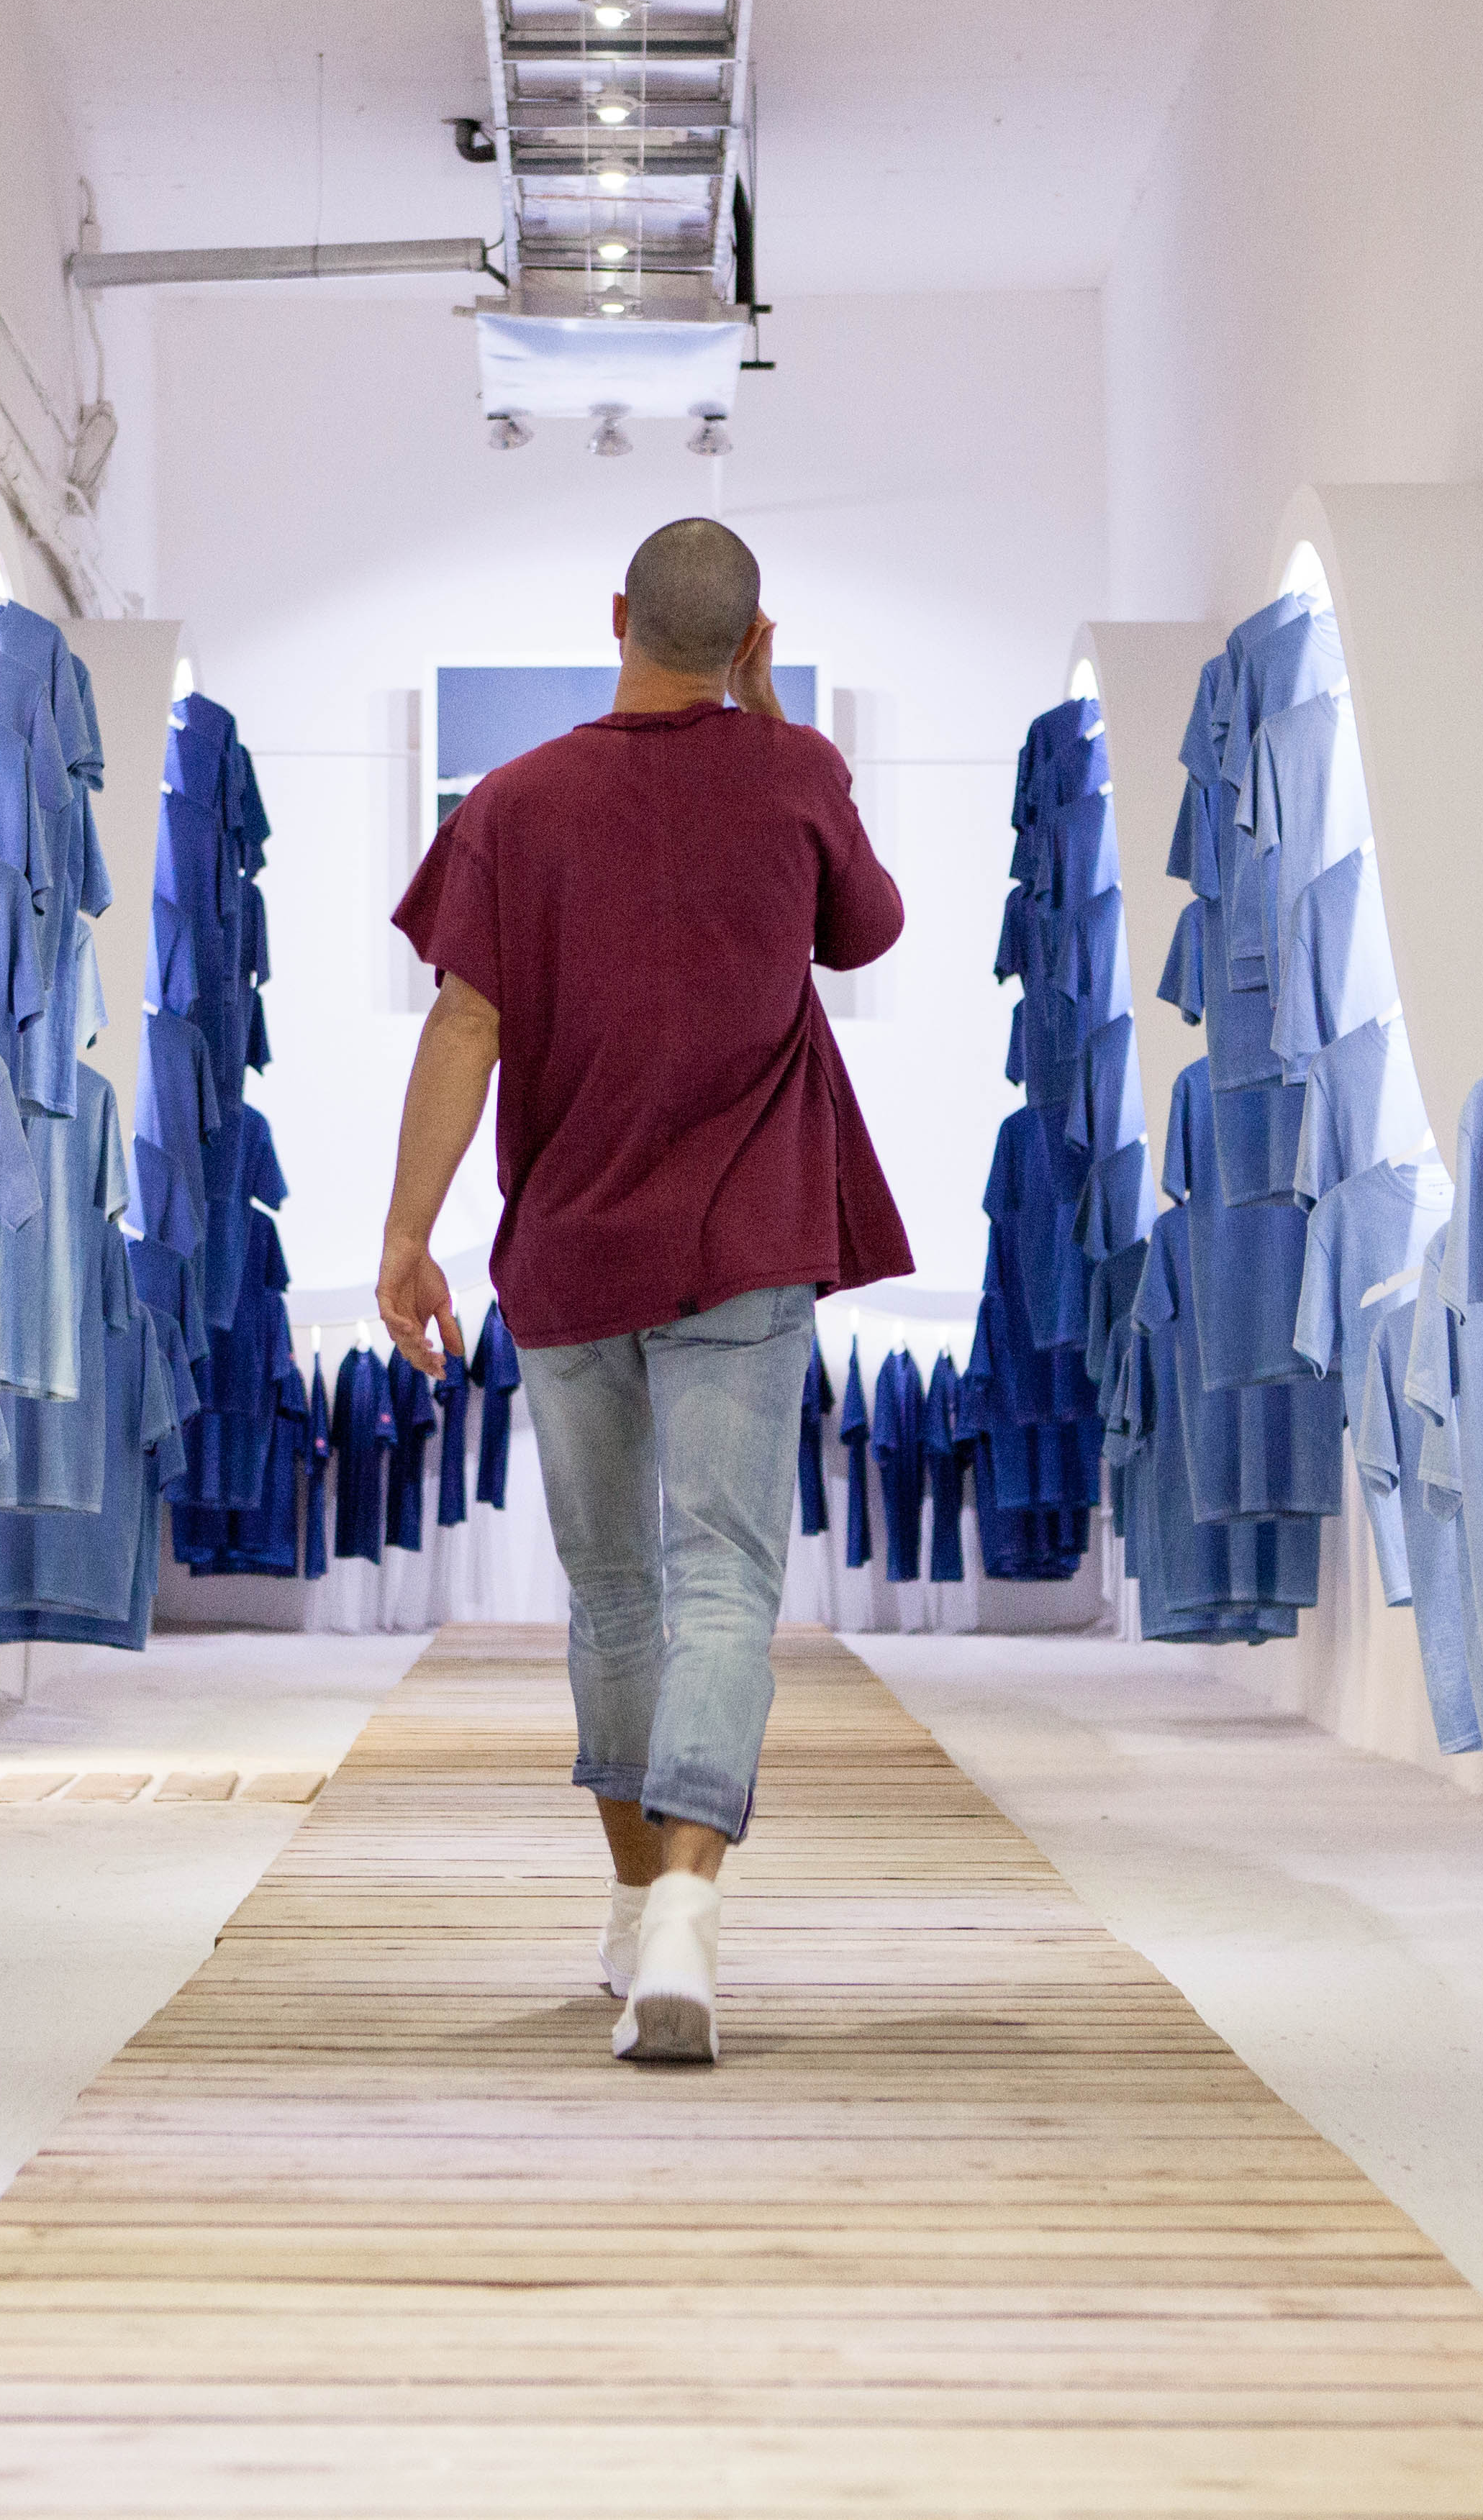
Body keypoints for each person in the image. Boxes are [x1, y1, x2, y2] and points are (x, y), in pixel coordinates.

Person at [378, 517, 910, 2063]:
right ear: (752, 638)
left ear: (616, 617)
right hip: (746, 1239)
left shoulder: (512, 802)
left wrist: (407, 1235)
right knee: (725, 1580)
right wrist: (780, 727)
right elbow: (867, 930)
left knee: (613, 1589)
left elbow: (464, 1027)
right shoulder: (795, 778)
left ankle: (630, 1908)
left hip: (573, 1247)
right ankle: (682, 1908)